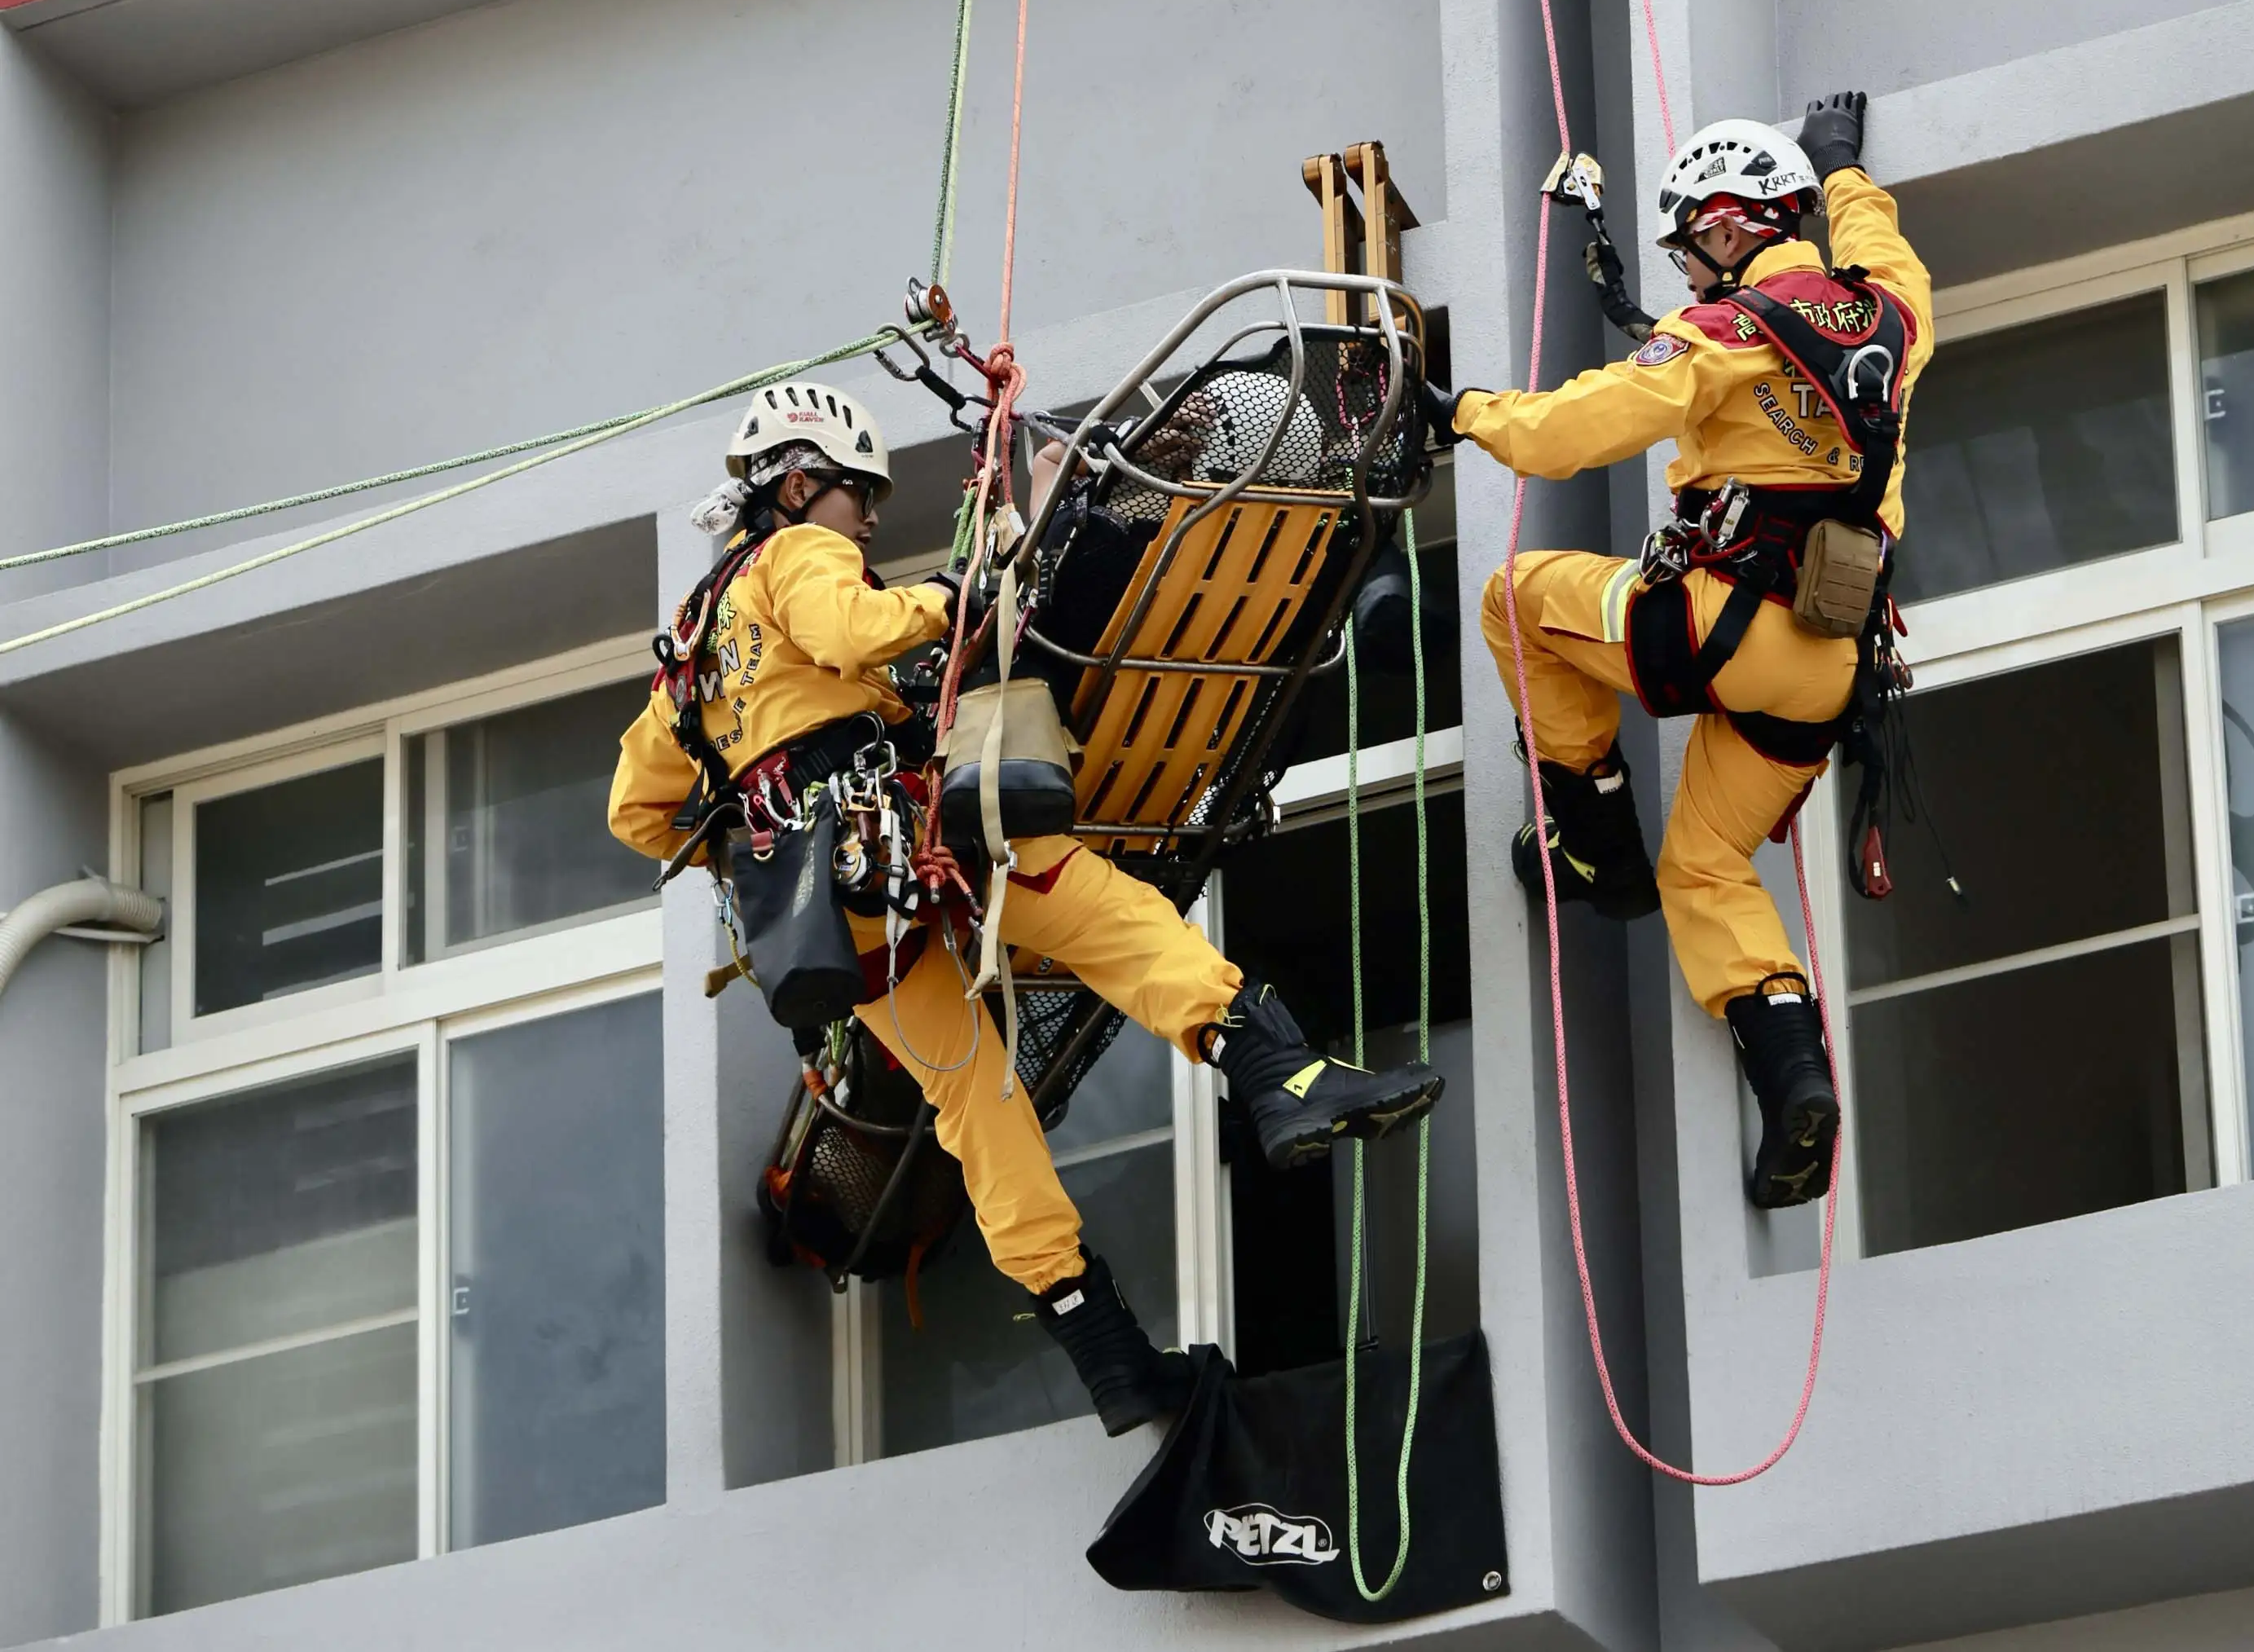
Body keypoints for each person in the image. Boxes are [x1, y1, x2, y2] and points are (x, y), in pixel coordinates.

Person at [608, 381, 1444, 1434]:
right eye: (855, 494)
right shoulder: (790, 557)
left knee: (979, 1115)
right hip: (913, 845)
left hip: (835, 921)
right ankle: (1282, 1073)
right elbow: (852, 624)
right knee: (1109, 917)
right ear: (799, 482)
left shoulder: (685, 648)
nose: (867, 517)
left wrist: (764, 811)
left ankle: (1109, 1356)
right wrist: (955, 589)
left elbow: (636, 813)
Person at [1425, 92, 1931, 1209]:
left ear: (1731, 222)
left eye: (1694, 245)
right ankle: (1795, 1079)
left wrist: (1464, 413)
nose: (1690, 270)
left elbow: (1578, 428)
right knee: (1705, 865)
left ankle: (1592, 839)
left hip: (1724, 626)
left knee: (1516, 601)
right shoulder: (1893, 313)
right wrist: (1842, 164)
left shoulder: (1725, 331)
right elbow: (1879, 238)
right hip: (1831, 667)